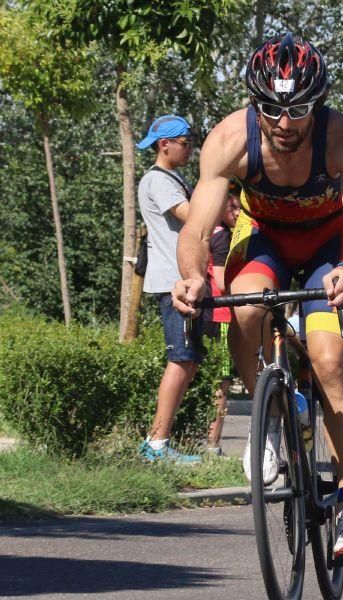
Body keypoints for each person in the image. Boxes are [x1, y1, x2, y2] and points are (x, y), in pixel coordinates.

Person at [171, 33, 343, 561]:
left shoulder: (341, 137)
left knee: (331, 361)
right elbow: (195, 230)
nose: (285, 123)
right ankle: (269, 415)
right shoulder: (229, 140)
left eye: (299, 109)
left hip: (329, 249)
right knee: (243, 304)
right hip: (265, 241)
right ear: (254, 102)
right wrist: (195, 277)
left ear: (319, 102)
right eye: (271, 109)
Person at [136, 114, 202, 463]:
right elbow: (194, 217)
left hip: (184, 282)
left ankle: (160, 441)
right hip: (173, 284)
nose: (190, 148)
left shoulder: (172, 177)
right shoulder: (159, 181)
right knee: (179, 360)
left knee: (187, 362)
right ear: (165, 145)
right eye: (185, 142)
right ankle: (156, 443)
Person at [205, 182, 242, 455]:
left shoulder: (209, 234)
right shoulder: (222, 238)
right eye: (233, 207)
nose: (238, 212)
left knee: (216, 382)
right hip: (223, 316)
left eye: (241, 207)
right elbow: (219, 279)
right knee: (222, 382)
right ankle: (213, 445)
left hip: (212, 315)